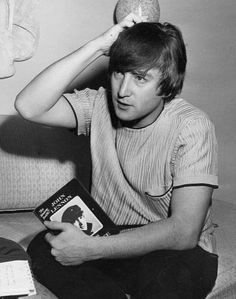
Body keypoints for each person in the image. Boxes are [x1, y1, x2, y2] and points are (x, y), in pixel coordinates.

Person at [15, 13, 218, 299]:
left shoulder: (192, 126)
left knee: (170, 275)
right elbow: (29, 106)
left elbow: (183, 231)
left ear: (168, 84)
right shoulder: (99, 104)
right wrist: (98, 46)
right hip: (113, 238)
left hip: (171, 249)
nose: (122, 91)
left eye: (140, 78)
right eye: (118, 72)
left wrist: (90, 249)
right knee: (44, 246)